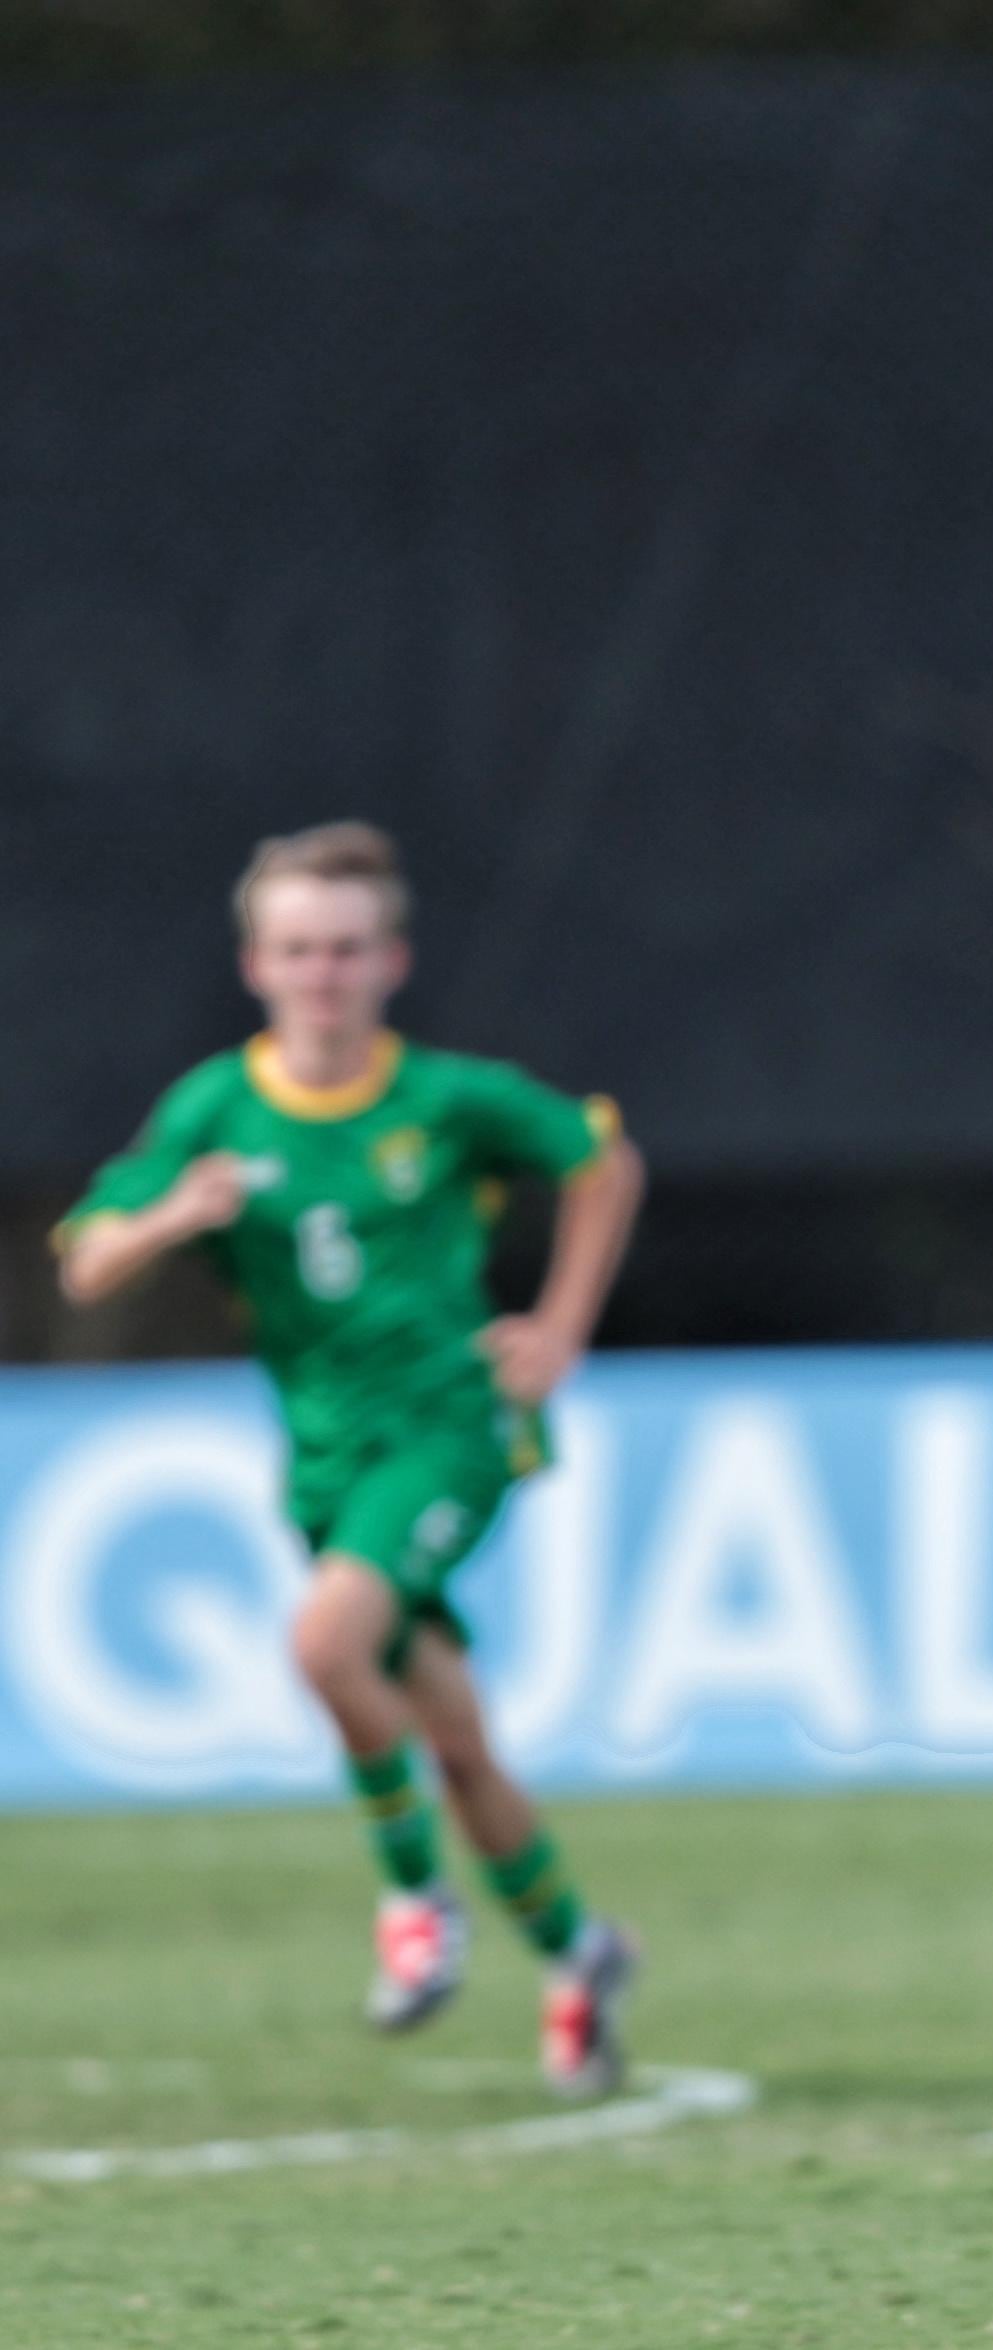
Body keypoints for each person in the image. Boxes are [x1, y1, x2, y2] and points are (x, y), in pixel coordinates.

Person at [57, 822, 652, 2097]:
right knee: (457, 1747)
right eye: (295, 950)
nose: (321, 973)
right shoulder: (216, 1108)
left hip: (449, 1430)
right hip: (324, 1464)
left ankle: (414, 1905)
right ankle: (578, 1952)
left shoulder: (442, 1098)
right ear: (255, 964)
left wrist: (559, 1327)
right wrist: (174, 1212)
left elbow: (600, 1157)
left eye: (344, 949)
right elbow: (87, 1261)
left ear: (391, 960)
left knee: (324, 1645)